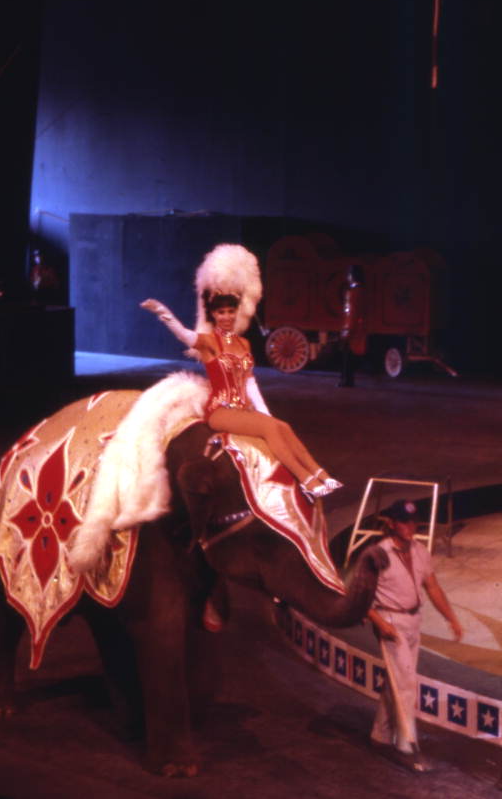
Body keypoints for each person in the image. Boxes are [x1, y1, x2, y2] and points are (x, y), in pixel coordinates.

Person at [140, 243, 341, 499]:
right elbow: (183, 334)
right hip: (220, 411)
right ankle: (306, 481)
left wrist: (266, 413)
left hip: (243, 408)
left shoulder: (243, 343)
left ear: (236, 313)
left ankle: (321, 475)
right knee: (270, 429)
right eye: (220, 312)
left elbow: (250, 383)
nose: (226, 316)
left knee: (282, 426)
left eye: (230, 311)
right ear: (213, 314)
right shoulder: (209, 341)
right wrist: (162, 312)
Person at [367, 499, 463, 773]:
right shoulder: (378, 553)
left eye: (413, 522)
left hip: (413, 620)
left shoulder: (421, 551)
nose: (410, 527)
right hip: (390, 620)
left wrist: (451, 617)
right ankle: (406, 745)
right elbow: (360, 596)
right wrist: (378, 622)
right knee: (406, 683)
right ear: (393, 524)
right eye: (404, 522)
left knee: (397, 681)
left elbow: (432, 587)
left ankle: (380, 735)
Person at [338, 263, 366, 388]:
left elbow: (351, 312)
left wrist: (347, 328)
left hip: (351, 327)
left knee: (347, 355)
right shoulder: (361, 290)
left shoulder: (354, 291)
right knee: (349, 355)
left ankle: (346, 380)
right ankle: (347, 379)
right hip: (356, 327)